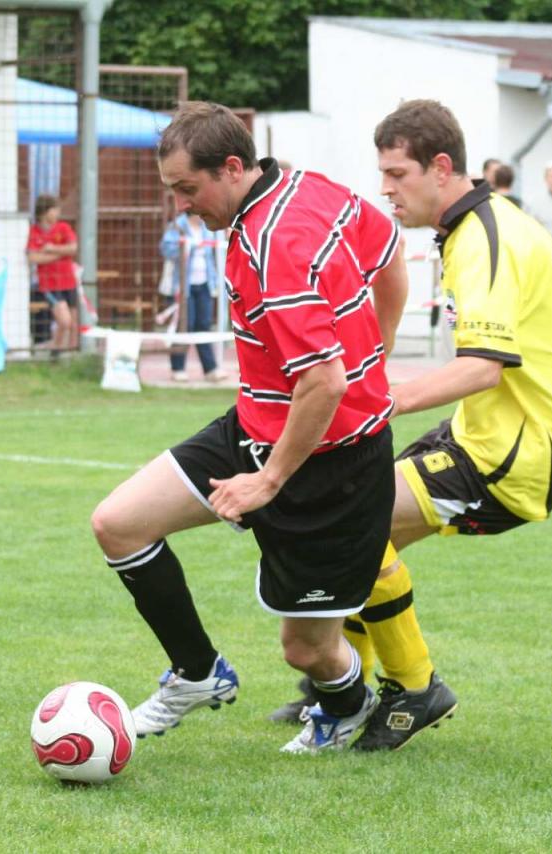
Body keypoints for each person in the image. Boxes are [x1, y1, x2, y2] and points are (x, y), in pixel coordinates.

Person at [273, 99, 552, 752]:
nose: (385, 189)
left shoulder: (483, 240)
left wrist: (380, 400)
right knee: (356, 536)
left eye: (397, 174)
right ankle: (340, 685)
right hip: (483, 436)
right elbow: (550, 303)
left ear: (441, 168)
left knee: (351, 522)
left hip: (506, 458)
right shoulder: (492, 225)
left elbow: (482, 367)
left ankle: (412, 688)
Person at [89, 101, 409, 754]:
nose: (181, 206)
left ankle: (348, 705)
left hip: (334, 468)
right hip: (255, 427)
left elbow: (325, 382)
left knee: (306, 651)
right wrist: (377, 352)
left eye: (188, 189)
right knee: (118, 524)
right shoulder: (306, 187)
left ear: (232, 168)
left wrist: (267, 481)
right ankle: (198, 673)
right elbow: (389, 250)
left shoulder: (275, 245)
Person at [159, 212, 227, 382]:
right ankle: (178, 368)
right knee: (185, 325)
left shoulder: (208, 227)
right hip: (183, 286)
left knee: (203, 325)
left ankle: (210, 369)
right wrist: (186, 246)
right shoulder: (178, 226)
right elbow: (166, 250)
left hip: (205, 284)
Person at [26, 194, 79, 353]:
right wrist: (60, 255)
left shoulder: (63, 227)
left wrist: (51, 249)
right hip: (50, 284)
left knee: (73, 323)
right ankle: (55, 348)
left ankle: (64, 352)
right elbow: (33, 257)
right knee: (64, 321)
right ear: (44, 212)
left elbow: (73, 248)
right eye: (54, 209)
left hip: (68, 281)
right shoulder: (34, 231)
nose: (58, 213)